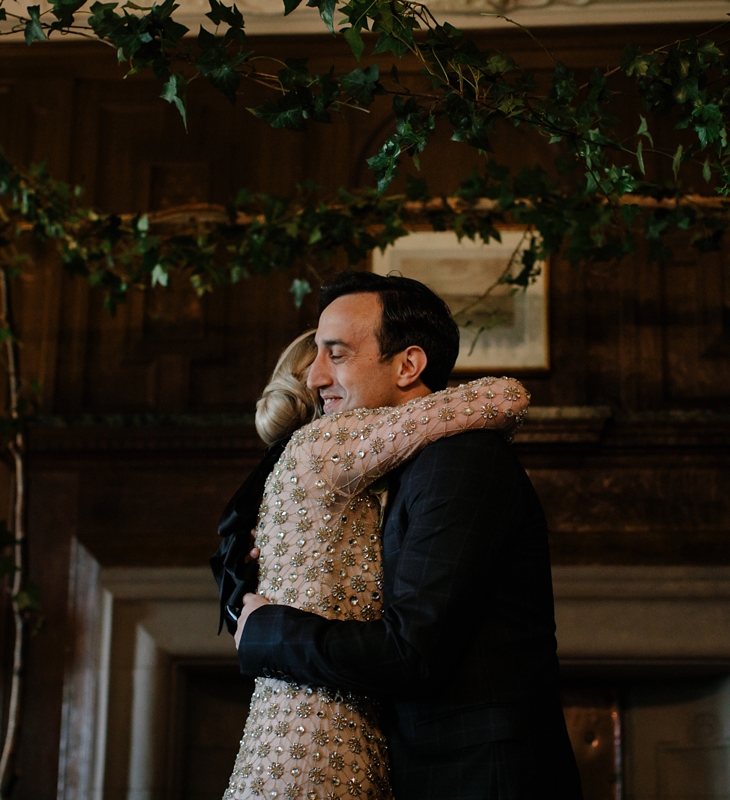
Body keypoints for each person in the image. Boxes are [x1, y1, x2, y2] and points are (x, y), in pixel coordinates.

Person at [235, 271, 584, 800]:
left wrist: (268, 632)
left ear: (408, 365)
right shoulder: (391, 471)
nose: (313, 378)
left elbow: (412, 651)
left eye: (337, 354)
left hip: (480, 778)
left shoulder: (461, 462)